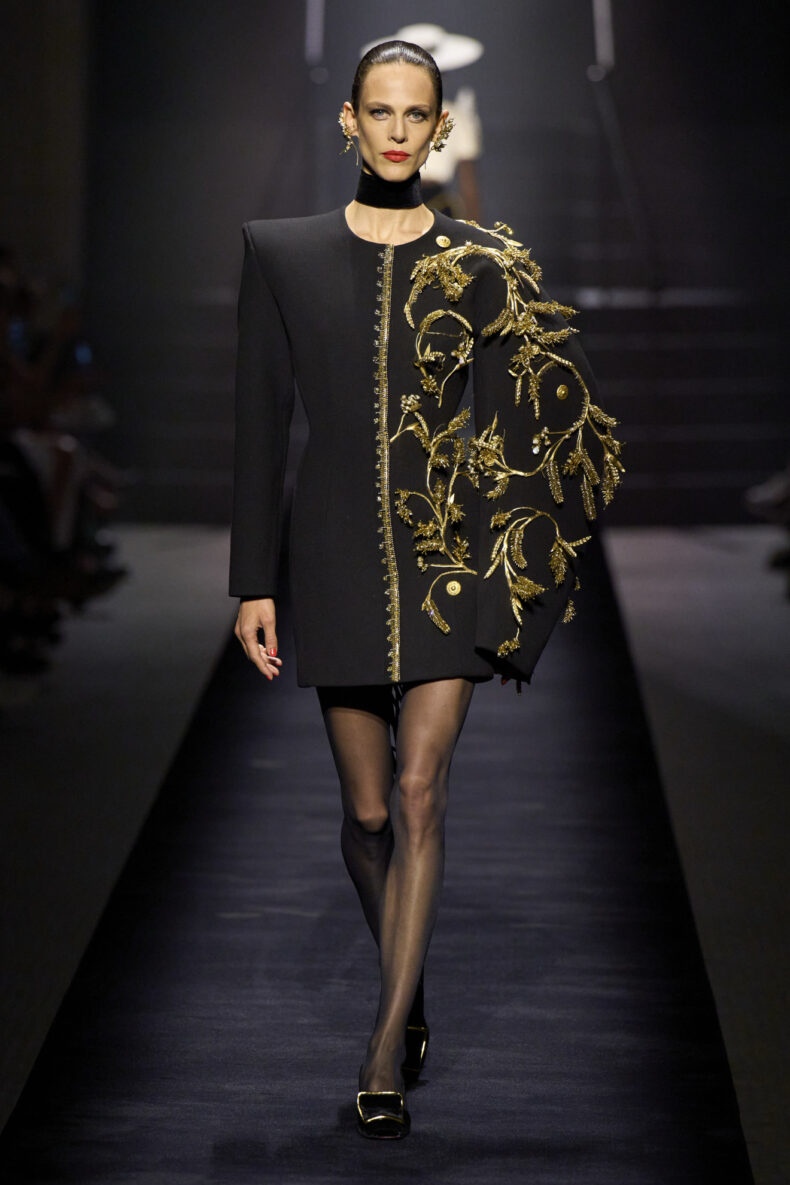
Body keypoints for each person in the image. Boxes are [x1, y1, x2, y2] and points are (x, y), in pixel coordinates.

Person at [230, 40, 624, 1140]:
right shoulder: (281, 252)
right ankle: (409, 988)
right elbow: (260, 423)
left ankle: (382, 1047)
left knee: (418, 795)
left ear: (440, 126)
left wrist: (524, 553)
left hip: (451, 559)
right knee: (365, 816)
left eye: (417, 114)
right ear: (349, 122)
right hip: (334, 555)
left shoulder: (483, 263)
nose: (399, 131)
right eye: (381, 112)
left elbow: (529, 417)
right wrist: (252, 581)